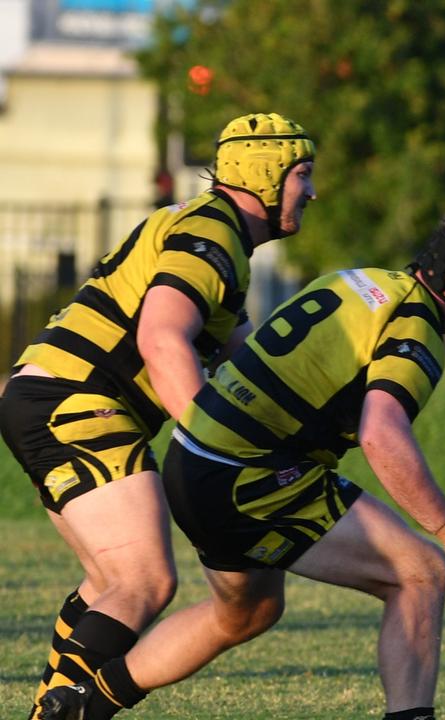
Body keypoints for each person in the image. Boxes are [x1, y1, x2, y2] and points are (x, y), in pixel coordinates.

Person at [38, 210, 445, 720]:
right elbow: (381, 434)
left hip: (196, 455)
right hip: (247, 472)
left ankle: (84, 703)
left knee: (247, 612)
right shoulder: (416, 324)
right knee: (421, 572)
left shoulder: (360, 280)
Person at [0, 112, 316, 719]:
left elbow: (244, 363)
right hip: (77, 401)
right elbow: (163, 339)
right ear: (266, 173)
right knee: (144, 581)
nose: (312, 192)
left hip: (50, 398)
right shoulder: (212, 236)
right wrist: (214, 448)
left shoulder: (212, 237)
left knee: (110, 585)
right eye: (302, 174)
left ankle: (51, 710)